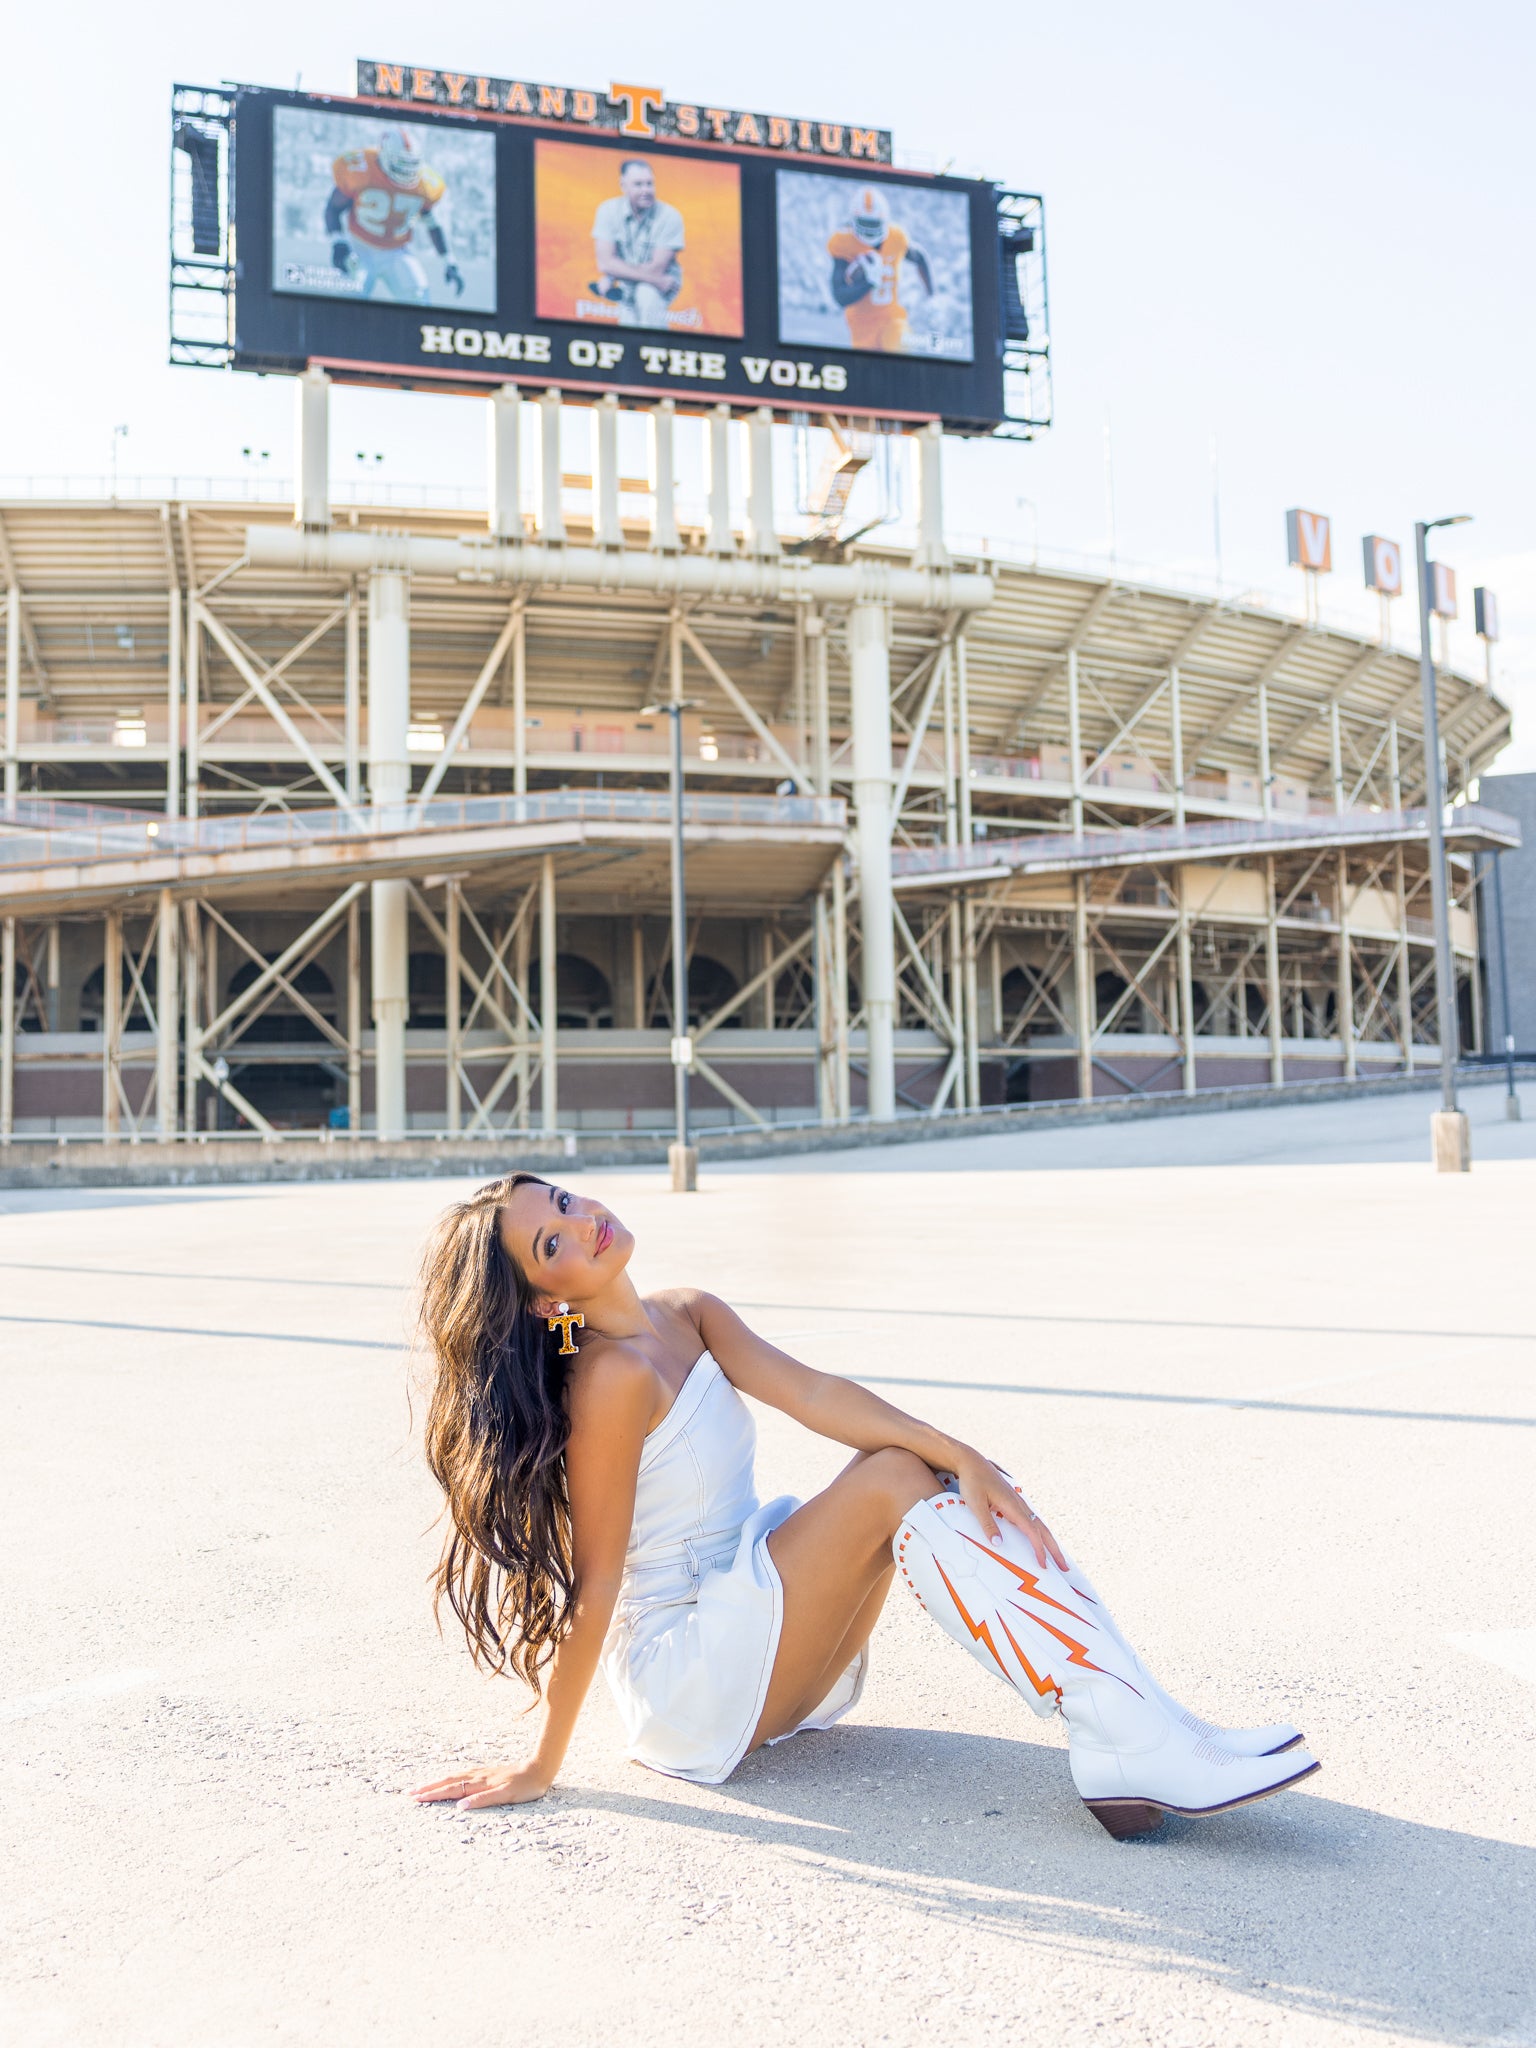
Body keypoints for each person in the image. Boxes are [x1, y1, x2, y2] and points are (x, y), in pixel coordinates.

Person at [412, 1174, 1318, 1841]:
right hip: (687, 1673)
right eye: (553, 1241)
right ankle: (1123, 1735)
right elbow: (601, 1580)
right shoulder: (607, 1379)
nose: (584, 1223)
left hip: (753, 1630)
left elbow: (812, 1392)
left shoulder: (686, 1314)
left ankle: (1151, 1723)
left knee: (915, 1473)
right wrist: (543, 1764)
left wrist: (958, 1451)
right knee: (891, 1478)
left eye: (564, 1202)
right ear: (542, 1301)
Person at [324, 126, 464, 305]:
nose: (407, 170)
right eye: (401, 162)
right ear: (384, 155)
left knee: (419, 298)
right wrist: (338, 242)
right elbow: (333, 208)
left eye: (411, 163)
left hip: (396, 251)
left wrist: (449, 260)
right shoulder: (361, 169)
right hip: (359, 246)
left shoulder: (425, 184)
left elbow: (432, 223)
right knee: (348, 300)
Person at [827, 185, 931, 354]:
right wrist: (868, 283)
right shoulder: (843, 243)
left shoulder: (896, 238)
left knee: (901, 351)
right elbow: (840, 296)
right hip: (861, 328)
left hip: (892, 319)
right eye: (864, 223)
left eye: (873, 223)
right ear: (853, 220)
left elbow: (920, 257)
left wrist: (931, 295)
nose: (869, 229)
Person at [589, 159, 684, 329]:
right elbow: (605, 263)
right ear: (623, 185)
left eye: (649, 184)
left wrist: (615, 273)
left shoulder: (670, 216)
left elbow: (657, 268)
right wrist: (612, 274)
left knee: (646, 294)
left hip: (661, 286)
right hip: (641, 283)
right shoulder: (607, 211)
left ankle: (657, 350)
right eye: (638, 184)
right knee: (628, 326)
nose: (646, 190)